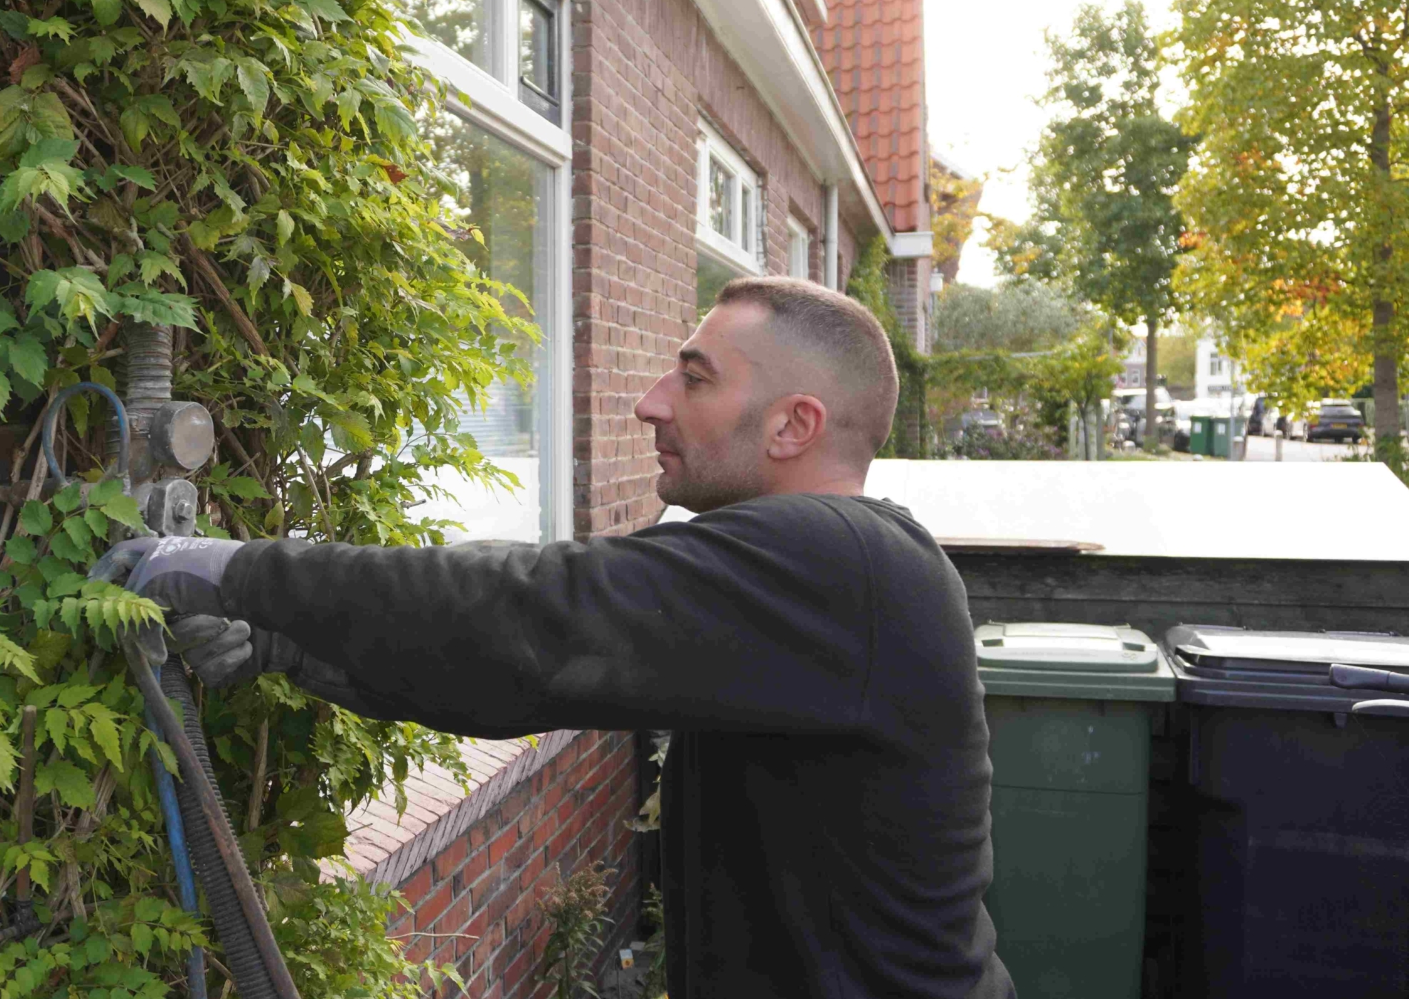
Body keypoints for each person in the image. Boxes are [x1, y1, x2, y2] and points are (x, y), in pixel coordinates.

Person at [94, 277, 1012, 998]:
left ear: (793, 425)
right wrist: (282, 648)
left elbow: (529, 615)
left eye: (694, 378)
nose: (652, 403)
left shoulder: (843, 562)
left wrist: (233, 568)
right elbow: (517, 677)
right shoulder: (797, 581)